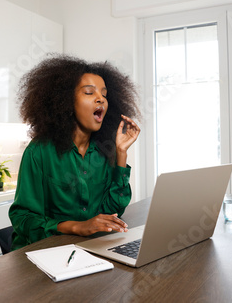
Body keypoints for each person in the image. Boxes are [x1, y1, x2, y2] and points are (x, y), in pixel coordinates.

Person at [9, 54, 141, 250]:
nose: (101, 99)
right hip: (41, 253)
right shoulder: (39, 151)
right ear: (66, 101)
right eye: (89, 92)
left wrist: (121, 152)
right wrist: (78, 227)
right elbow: (23, 218)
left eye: (104, 95)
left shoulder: (104, 151)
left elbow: (112, 213)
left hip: (87, 249)